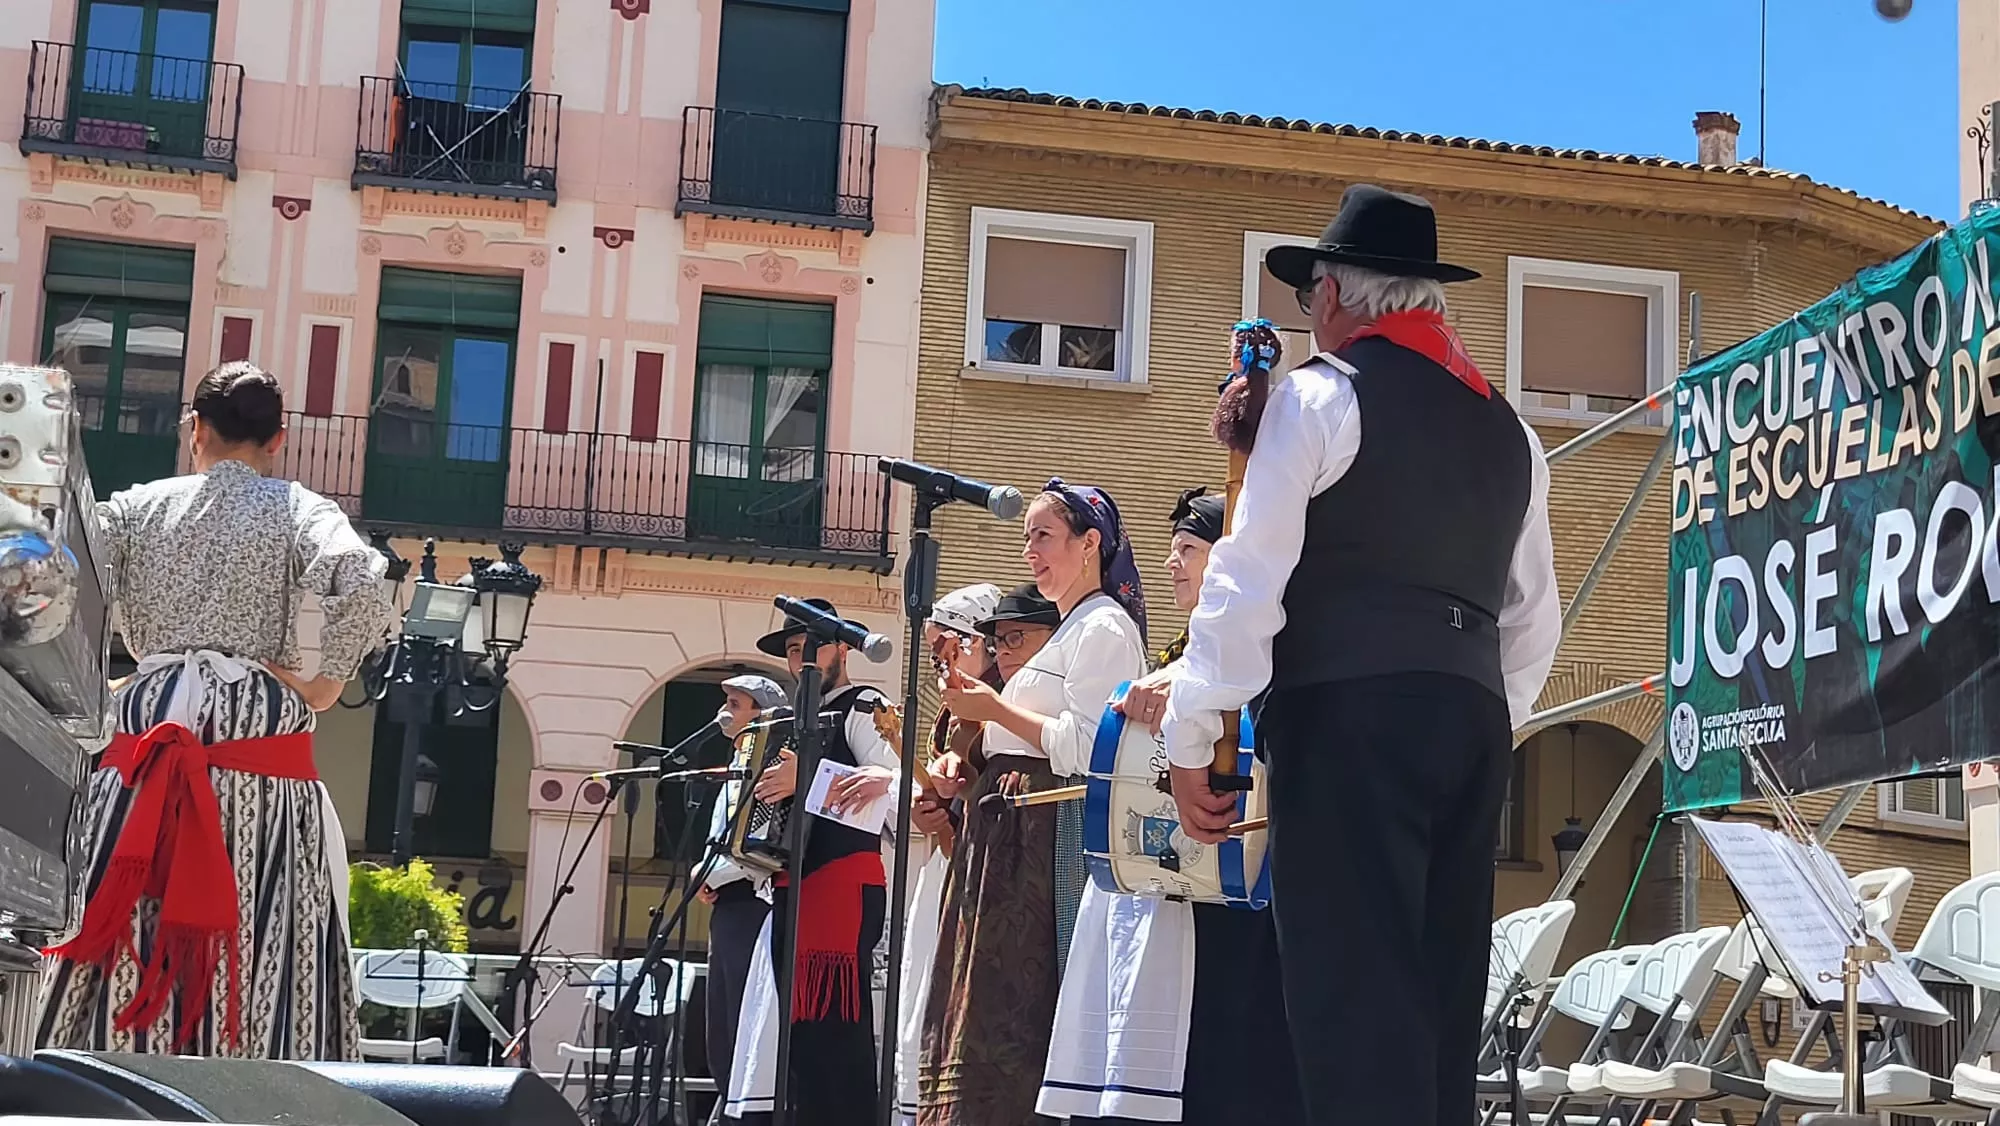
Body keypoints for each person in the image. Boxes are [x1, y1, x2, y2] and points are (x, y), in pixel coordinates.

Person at [1161, 184, 1562, 1126]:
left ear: (1335, 297)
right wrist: (1471, 709)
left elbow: (1244, 580)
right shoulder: (1516, 436)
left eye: (1311, 302)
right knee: (1438, 1001)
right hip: (1470, 721)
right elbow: (1532, 621)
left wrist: (1191, 740)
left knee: (1351, 1010)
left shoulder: (1318, 394)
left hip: (1349, 716)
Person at [36, 361, 398, 1060]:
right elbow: (362, 583)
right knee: (265, 907)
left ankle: (113, 1067)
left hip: (149, 721)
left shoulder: (139, 506)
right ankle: (254, 1070)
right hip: (255, 728)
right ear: (279, 439)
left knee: (122, 890)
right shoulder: (297, 507)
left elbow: (55, 573)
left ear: (193, 429)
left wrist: (90, 686)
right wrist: (322, 687)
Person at [1055, 485, 1304, 1124]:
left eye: (1188, 550)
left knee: (1230, 1070)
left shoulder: (1277, 643)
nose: (1171, 565)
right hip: (1171, 892)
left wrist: (1183, 695)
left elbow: (1250, 716)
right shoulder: (1177, 653)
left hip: (1242, 893)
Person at [919, 481, 1148, 1126]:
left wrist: (990, 708)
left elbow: (1087, 745)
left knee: (1020, 1006)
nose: (1030, 552)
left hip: (1046, 837)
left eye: (1043, 536)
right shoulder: (1070, 629)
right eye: (1026, 539)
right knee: (984, 1004)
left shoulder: (1104, 626)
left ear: (1091, 543)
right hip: (1007, 829)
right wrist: (968, 752)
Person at [724, 599, 900, 1126]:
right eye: (794, 651)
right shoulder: (789, 723)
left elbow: (897, 792)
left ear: (842, 648)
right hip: (791, 891)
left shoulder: (867, 706)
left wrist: (811, 779)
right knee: (796, 1044)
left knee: (834, 1040)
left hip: (842, 890)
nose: (800, 661)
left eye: (809, 648)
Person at [896, 583, 1002, 1126]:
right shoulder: (950, 715)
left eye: (948, 647)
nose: (939, 662)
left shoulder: (998, 712)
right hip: (943, 874)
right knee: (921, 1007)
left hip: (986, 881)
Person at [701, 673, 788, 1118]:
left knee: (742, 1011)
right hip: (726, 906)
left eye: (736, 703)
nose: (725, 712)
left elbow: (760, 844)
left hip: (754, 904)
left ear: (761, 714)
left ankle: (745, 1108)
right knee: (720, 1020)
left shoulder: (767, 771)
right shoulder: (733, 771)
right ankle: (727, 1103)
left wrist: (708, 873)